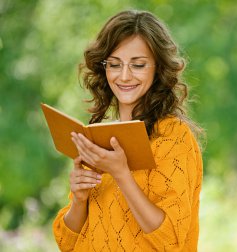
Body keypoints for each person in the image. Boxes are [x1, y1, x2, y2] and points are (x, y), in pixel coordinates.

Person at [52, 9, 204, 251]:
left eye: (138, 65)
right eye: (114, 64)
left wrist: (121, 173)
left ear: (158, 68)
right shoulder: (99, 140)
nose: (124, 76)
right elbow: (67, 243)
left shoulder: (174, 138)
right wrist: (79, 200)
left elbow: (170, 242)